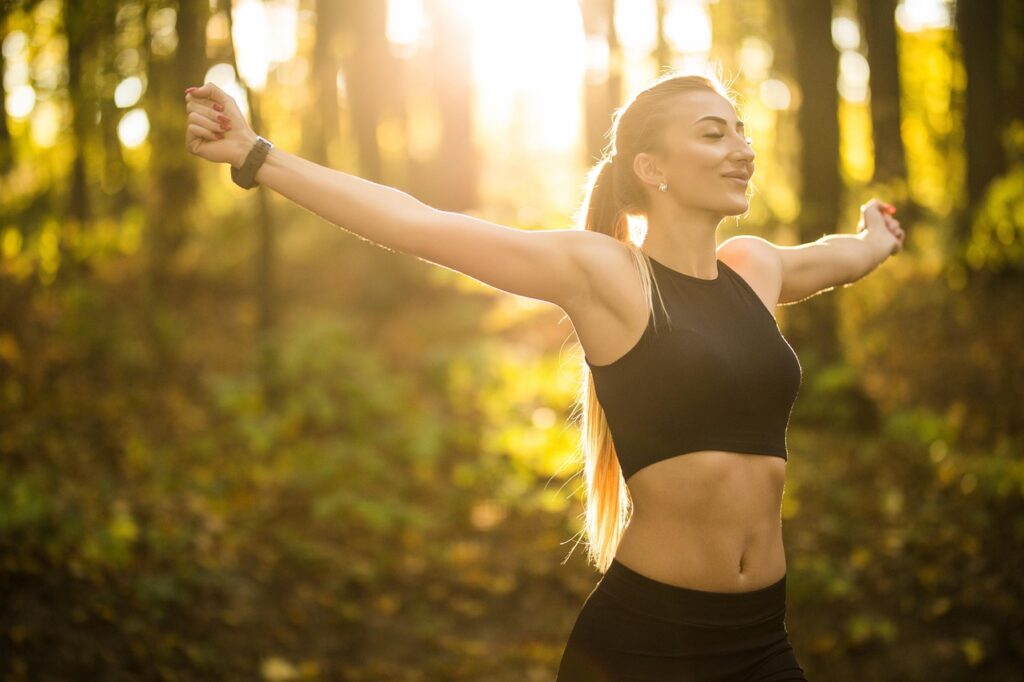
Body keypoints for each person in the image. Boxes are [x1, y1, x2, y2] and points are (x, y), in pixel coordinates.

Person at [184, 70, 904, 681]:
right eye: (714, 134)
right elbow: (418, 224)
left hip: (762, 639)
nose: (742, 149)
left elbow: (842, 257)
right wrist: (254, 154)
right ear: (651, 168)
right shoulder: (606, 274)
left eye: (741, 132)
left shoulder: (755, 269)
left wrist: (877, 236)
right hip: (647, 643)